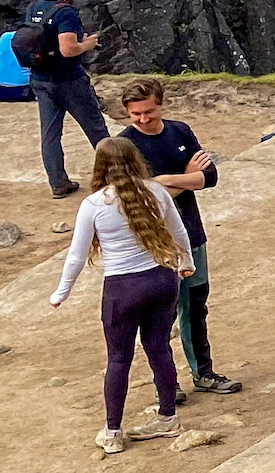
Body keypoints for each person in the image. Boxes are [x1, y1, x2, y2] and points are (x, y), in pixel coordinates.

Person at [48, 138, 195, 454]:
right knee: (159, 348)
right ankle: (168, 416)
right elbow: (179, 231)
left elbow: (76, 255)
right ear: (136, 160)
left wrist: (62, 291)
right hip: (161, 279)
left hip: (122, 289)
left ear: (99, 166)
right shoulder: (156, 191)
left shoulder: (94, 204)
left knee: (118, 359)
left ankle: (113, 431)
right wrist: (186, 262)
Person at [117, 78, 238, 394]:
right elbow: (138, 195)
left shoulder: (180, 131)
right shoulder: (125, 145)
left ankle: (203, 373)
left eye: (149, 112)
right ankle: (165, 385)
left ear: (161, 103)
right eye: (136, 115)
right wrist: (186, 176)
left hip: (191, 234)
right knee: (161, 315)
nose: (143, 119)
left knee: (196, 306)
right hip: (153, 243)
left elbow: (209, 176)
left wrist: (165, 181)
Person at [23, 0, 110, 198]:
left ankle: (59, 183)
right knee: (96, 128)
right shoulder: (65, 12)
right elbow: (68, 49)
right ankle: (117, 176)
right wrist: (87, 45)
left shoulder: (33, 8)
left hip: (40, 80)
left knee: (50, 134)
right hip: (69, 80)